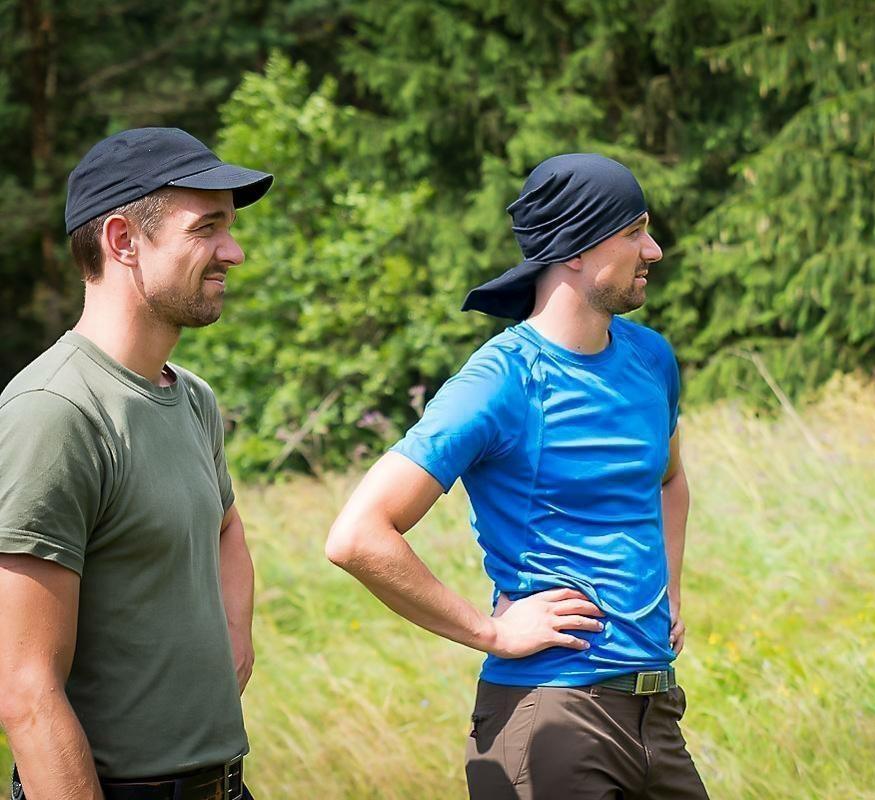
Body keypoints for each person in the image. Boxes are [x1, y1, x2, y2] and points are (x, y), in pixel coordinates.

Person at [326, 153, 708, 798]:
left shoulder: (651, 358)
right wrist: (491, 632)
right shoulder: (500, 381)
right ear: (576, 250)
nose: (654, 250)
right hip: (549, 717)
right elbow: (358, 535)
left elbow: (669, 480)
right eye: (634, 232)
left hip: (656, 714)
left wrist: (668, 589)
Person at [0, 127, 273, 800]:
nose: (233, 252)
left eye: (230, 228)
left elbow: (225, 527)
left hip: (223, 783)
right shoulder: (54, 411)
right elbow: (24, 690)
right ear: (123, 240)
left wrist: (231, 643)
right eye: (206, 228)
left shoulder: (193, 397)